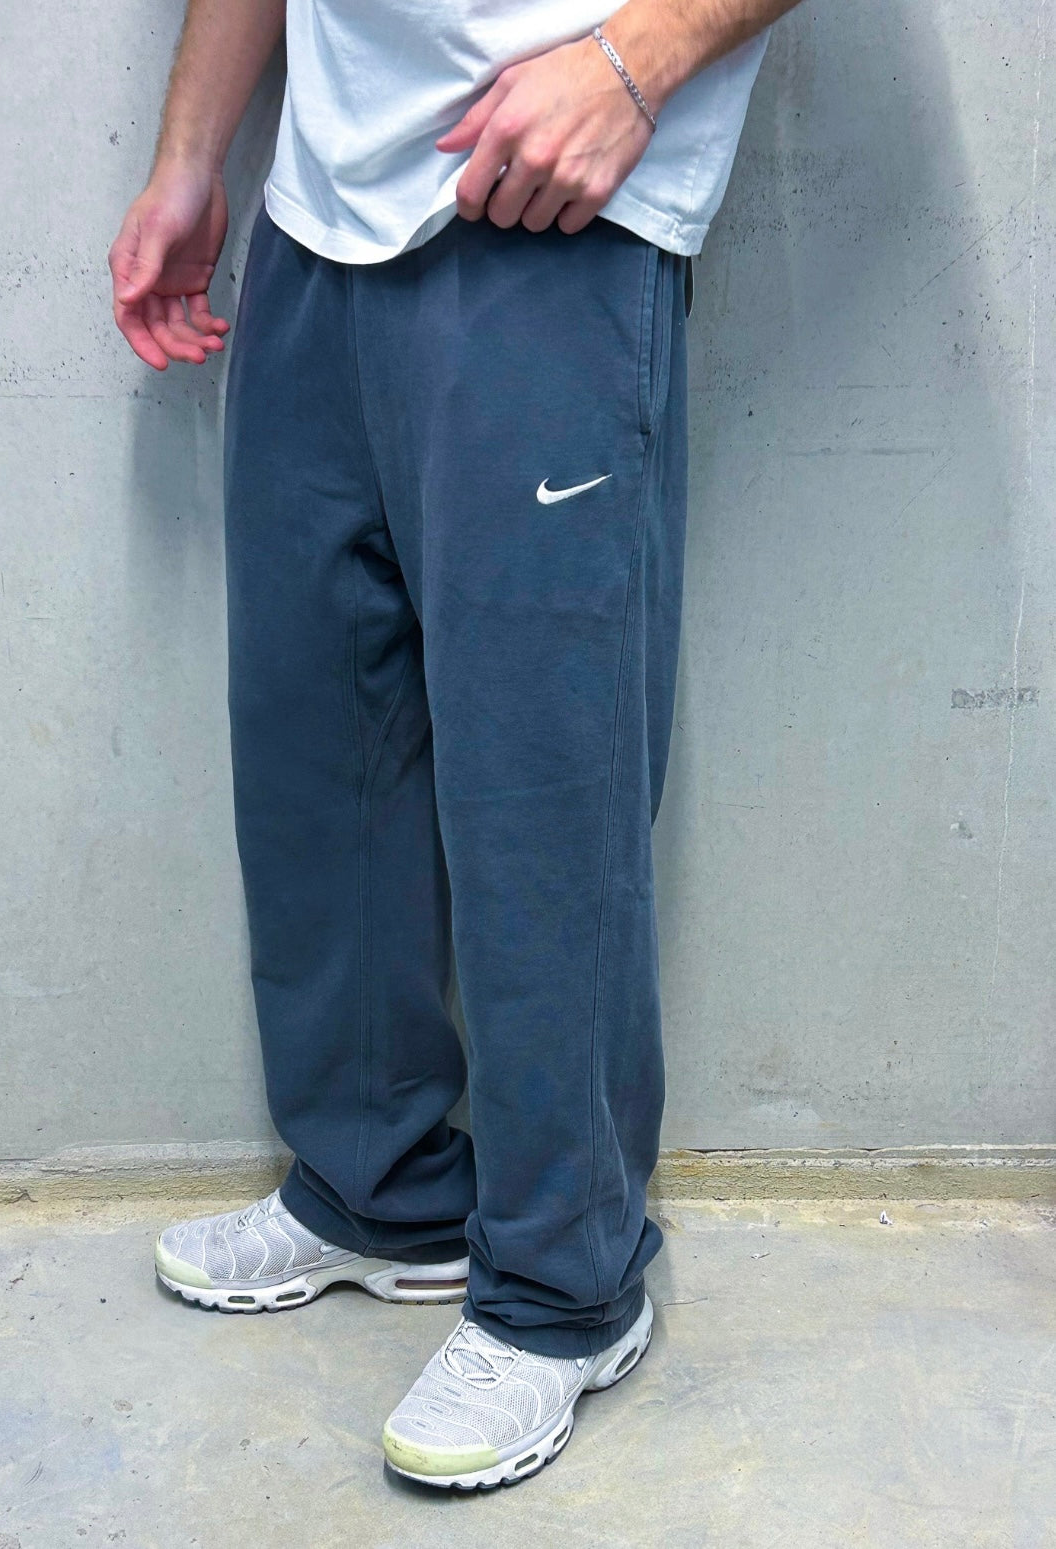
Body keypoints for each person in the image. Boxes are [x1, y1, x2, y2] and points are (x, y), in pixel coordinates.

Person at [110, 0, 798, 1492]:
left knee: (542, 788)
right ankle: (379, 1185)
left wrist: (634, 65)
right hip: (315, 215)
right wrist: (191, 154)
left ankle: (566, 1288)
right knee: (315, 756)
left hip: (556, 205)